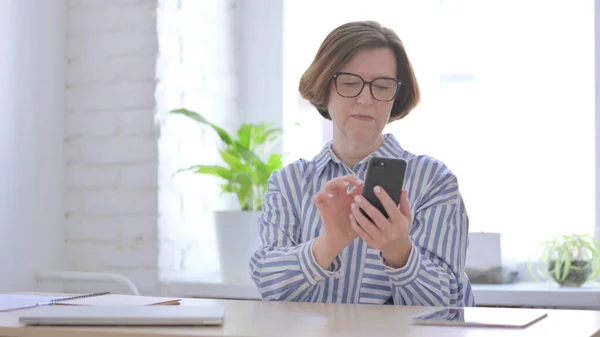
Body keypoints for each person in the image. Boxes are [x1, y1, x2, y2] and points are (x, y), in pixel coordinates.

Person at [249, 20, 475, 307]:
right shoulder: (288, 184)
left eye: (382, 86)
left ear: (396, 96)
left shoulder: (434, 181)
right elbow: (269, 286)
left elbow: (451, 305)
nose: (366, 99)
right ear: (324, 87)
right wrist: (328, 244)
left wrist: (398, 251)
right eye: (349, 83)